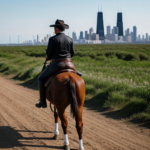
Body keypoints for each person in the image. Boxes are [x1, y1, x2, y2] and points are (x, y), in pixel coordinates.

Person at [35, 19, 76, 108]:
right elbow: (72, 53)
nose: (54, 30)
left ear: (57, 29)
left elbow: (49, 55)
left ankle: (42, 101)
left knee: (40, 79)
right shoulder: (70, 39)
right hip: (69, 64)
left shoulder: (52, 39)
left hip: (57, 64)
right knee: (78, 76)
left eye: (54, 28)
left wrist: (48, 57)